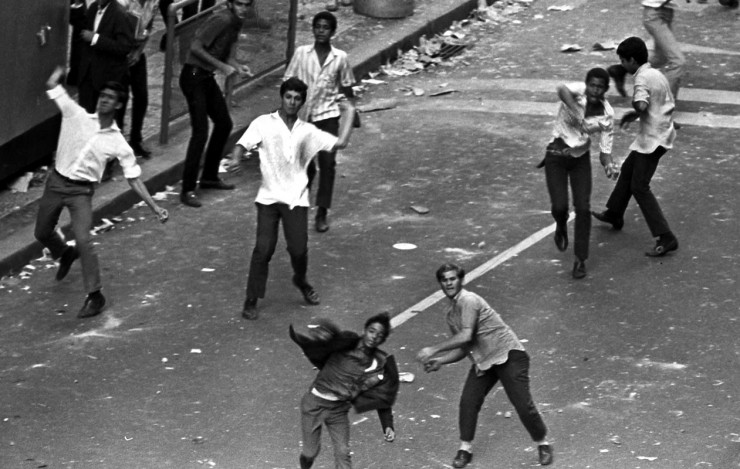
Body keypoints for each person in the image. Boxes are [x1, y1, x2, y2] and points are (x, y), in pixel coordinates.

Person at [35, 66, 168, 319]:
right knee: (41, 232)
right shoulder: (76, 115)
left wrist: (155, 207)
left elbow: (134, 179)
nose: (103, 99)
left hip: (81, 193)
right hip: (55, 182)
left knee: (84, 239)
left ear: (118, 105)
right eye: (102, 95)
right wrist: (60, 71)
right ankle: (65, 253)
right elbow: (52, 86)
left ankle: (95, 296)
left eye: (110, 97)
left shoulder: (118, 142)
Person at [228, 77, 354, 319]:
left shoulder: (307, 132)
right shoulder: (264, 123)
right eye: (288, 97)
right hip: (268, 198)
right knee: (263, 250)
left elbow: (341, 143)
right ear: (282, 97)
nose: (292, 102)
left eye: (297, 98)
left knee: (298, 249)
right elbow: (242, 144)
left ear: (302, 102)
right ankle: (251, 298)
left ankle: (301, 279)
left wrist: (348, 112)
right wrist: (236, 159)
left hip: (296, 200)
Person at [416, 263, 553, 468]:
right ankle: (465, 449)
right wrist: (440, 361)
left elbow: (466, 334)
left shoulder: (469, 300)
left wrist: (433, 350)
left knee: (523, 404)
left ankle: (543, 443)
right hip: (484, 362)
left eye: (452, 278)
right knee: (468, 401)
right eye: (444, 280)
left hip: (508, 355)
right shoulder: (451, 314)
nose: (449, 283)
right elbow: (464, 347)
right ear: (440, 284)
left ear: (460, 280)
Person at [592, 37, 679, 257]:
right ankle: (614, 213)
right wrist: (636, 114)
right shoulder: (656, 73)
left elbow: (642, 103)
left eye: (623, 61)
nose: (622, 65)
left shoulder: (641, 79)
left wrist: (634, 110)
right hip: (661, 133)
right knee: (629, 171)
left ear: (632, 60)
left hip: (653, 139)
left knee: (640, 186)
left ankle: (665, 236)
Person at [290, 312, 399, 469]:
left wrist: (387, 425)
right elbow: (325, 342)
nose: (374, 337)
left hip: (338, 410)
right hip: (314, 404)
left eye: (380, 335)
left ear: (383, 340)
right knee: (310, 453)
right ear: (365, 330)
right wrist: (319, 336)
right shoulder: (345, 343)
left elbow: (382, 396)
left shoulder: (378, 364)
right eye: (372, 331)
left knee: (343, 452)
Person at [284, 11, 356, 233]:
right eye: (318, 27)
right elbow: (289, 81)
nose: (321, 31)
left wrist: (351, 112)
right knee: (305, 163)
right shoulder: (301, 54)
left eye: (325, 27)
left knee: (328, 164)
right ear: (313, 29)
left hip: (328, 116)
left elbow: (346, 85)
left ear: (333, 31)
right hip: (305, 117)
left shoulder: (340, 58)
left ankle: (322, 211)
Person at [540, 68, 616, 279]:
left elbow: (605, 149)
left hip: (579, 160)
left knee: (583, 207)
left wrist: (609, 165)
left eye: (600, 87)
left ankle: (580, 259)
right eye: (592, 85)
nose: (594, 90)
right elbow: (561, 89)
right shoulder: (577, 92)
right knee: (559, 206)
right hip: (556, 154)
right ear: (587, 84)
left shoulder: (607, 113)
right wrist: (578, 112)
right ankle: (561, 223)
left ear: (605, 90)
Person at [178, 0, 254, 208]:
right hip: (193, 74)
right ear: (231, 4)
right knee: (200, 132)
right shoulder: (222, 19)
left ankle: (209, 176)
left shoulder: (236, 22)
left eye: (247, 5)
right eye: (239, 4)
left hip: (205, 76)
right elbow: (195, 47)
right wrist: (222, 66)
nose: (243, 9)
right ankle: (187, 189)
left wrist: (238, 67)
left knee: (224, 123)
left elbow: (228, 55)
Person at [608, 0, 685, 104]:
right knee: (678, 62)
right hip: (655, 15)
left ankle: (621, 69)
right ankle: (664, 107)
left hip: (665, 12)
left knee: (660, 58)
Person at [72, 0, 135, 121]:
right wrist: (77, 5)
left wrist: (96, 39)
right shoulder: (93, 8)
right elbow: (81, 28)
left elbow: (124, 47)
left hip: (109, 76)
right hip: (88, 76)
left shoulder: (119, 14)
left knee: (110, 122)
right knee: (85, 120)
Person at [119, 0, 159, 159]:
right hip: (120, 51)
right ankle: (117, 142)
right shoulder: (124, 3)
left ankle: (136, 138)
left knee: (141, 97)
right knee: (119, 99)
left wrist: (138, 52)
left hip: (136, 52)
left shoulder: (153, 2)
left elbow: (148, 28)